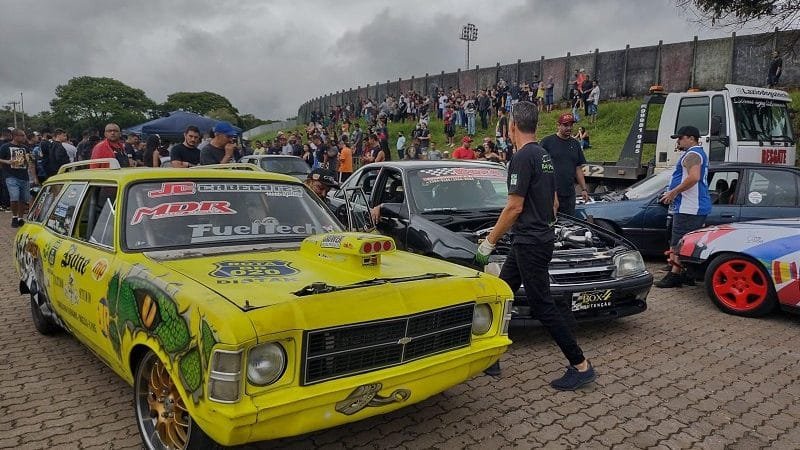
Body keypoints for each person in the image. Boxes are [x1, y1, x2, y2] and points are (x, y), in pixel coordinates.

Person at [475, 101, 596, 390]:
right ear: (536, 125)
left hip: (530, 241)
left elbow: (514, 206)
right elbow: (554, 202)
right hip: (531, 239)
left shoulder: (521, 157)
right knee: (501, 293)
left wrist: (489, 242)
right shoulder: (543, 154)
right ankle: (491, 357)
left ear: (512, 126)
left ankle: (580, 365)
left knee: (542, 304)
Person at [656, 126, 711, 288]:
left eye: (680, 138)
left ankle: (675, 275)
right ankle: (687, 273)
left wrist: (673, 192)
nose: (678, 141)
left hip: (690, 207)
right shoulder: (696, 153)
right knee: (685, 242)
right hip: (690, 206)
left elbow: (694, 177)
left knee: (679, 242)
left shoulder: (693, 154)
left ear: (691, 138)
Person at [540, 113, 589, 217]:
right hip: (552, 193)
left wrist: (584, 189)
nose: (569, 128)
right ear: (558, 125)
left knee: (569, 223)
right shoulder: (547, 142)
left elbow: (578, 168)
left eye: (571, 125)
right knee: (550, 223)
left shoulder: (575, 144)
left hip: (569, 194)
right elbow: (539, 168)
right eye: (566, 125)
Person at [0, 129, 39, 227]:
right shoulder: (5, 147)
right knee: (14, 196)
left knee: (24, 199)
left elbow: (31, 162)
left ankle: (20, 218)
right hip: (11, 175)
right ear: (15, 136)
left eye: (24, 135)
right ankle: (14, 217)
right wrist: (7, 162)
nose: (24, 137)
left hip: (24, 176)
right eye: (22, 135)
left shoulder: (25, 148)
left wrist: (34, 177)